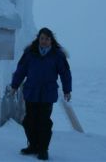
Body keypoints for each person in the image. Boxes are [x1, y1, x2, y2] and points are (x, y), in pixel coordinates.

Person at [10, 27, 72, 161]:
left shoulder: (57, 55)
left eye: (47, 39)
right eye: (42, 38)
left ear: (51, 40)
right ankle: (33, 146)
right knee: (28, 121)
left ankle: (43, 149)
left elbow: (65, 73)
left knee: (44, 122)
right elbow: (21, 70)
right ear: (38, 39)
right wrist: (14, 86)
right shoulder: (29, 53)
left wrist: (67, 90)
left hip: (47, 93)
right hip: (31, 92)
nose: (44, 41)